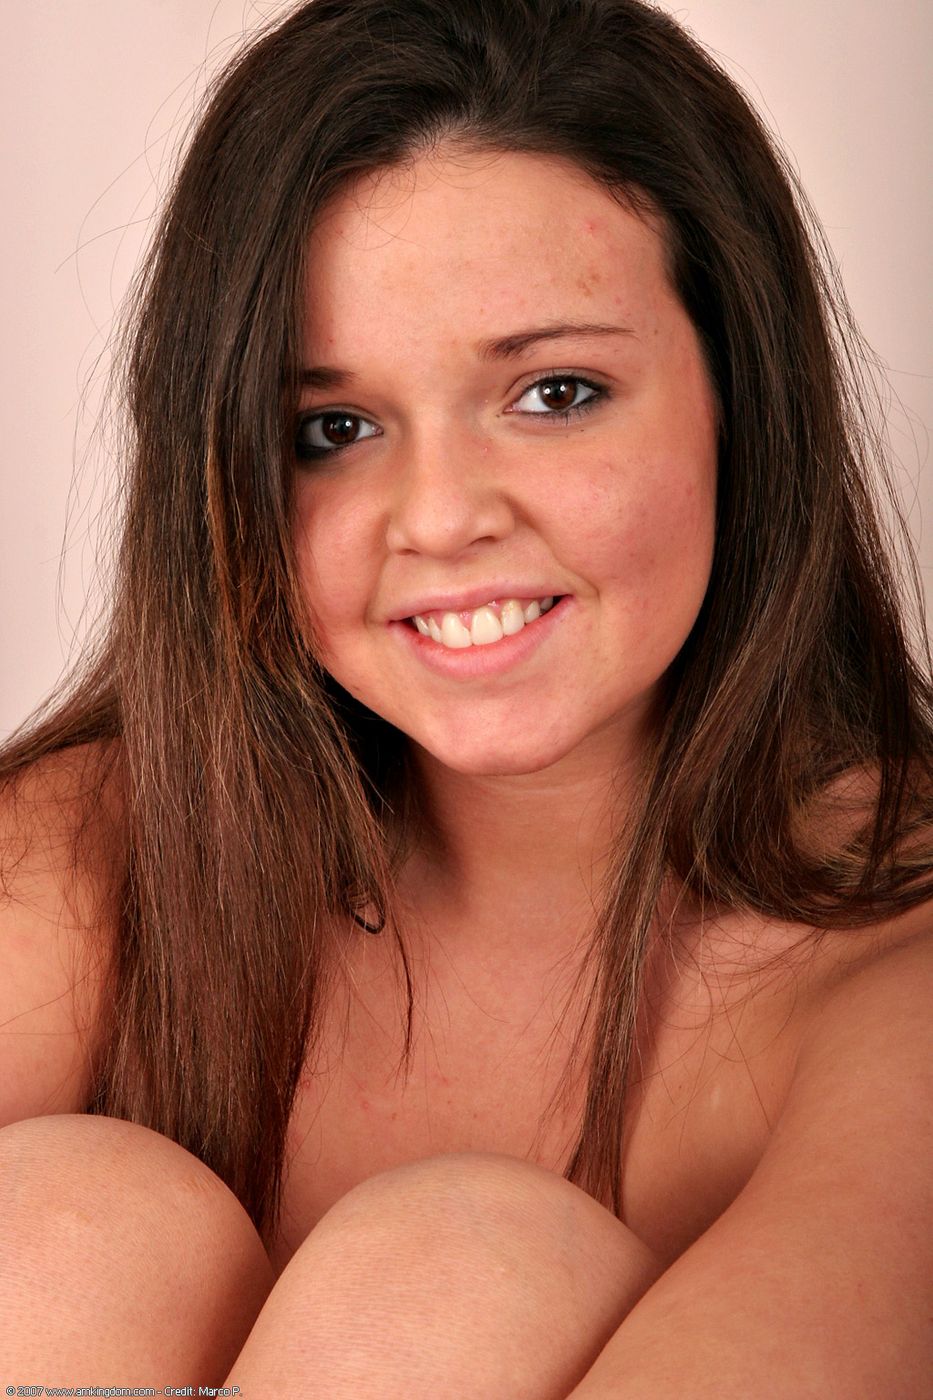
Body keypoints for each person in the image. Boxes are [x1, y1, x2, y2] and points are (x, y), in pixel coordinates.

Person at [1, 0, 931, 1391]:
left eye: (554, 393)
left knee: (460, 1273)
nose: (438, 518)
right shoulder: (100, 854)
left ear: (742, 397)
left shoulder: (900, 988)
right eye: (333, 430)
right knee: (74, 1228)